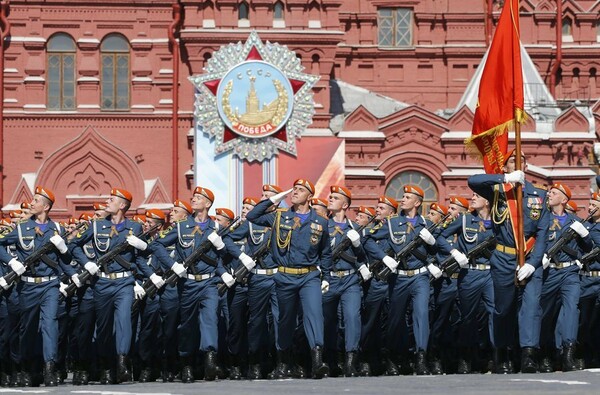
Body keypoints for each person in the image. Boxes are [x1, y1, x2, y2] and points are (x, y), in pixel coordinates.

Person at [150, 186, 253, 383]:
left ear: (208, 204)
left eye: (199, 197)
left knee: (210, 320)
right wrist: (173, 265)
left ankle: (210, 360)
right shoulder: (181, 227)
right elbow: (157, 245)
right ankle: (187, 363)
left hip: (209, 283)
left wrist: (222, 246)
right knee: (187, 325)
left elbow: (226, 254)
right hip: (187, 283)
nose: (194, 199)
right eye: (194, 196)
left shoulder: (217, 228)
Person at [69, 188, 165, 384]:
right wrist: (86, 263)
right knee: (103, 329)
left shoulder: (135, 228)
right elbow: (74, 245)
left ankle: (122, 361)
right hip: (102, 283)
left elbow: (142, 258)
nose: (107, 201)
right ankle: (106, 366)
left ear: (122, 205)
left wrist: (146, 259)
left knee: (123, 320)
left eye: (111, 199)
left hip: (124, 282)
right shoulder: (96, 226)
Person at [468, 149, 549, 373]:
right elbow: (472, 180)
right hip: (504, 257)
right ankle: (502, 353)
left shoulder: (539, 195)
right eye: (512, 160)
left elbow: (542, 232)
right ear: (505, 167)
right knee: (503, 308)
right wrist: (505, 179)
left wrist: (533, 263)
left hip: (531, 257)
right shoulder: (496, 191)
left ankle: (528, 355)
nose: (518, 163)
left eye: (522, 160)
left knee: (531, 307)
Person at [246, 178, 332, 379]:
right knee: (284, 321)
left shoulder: (320, 221)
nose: (295, 192)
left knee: (314, 315)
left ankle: (318, 361)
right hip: (284, 275)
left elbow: (326, 252)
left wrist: (326, 276)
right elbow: (252, 216)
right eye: (294, 189)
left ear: (309, 196)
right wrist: (274, 199)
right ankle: (283, 363)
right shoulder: (278, 216)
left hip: (309, 275)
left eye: (301, 190)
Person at [363, 186, 444, 375]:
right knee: (395, 319)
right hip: (398, 278)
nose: (403, 199)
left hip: (421, 276)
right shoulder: (391, 223)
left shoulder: (426, 223)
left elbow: (440, 247)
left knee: (421, 315)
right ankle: (393, 358)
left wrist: (432, 242)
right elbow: (367, 239)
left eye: (408, 197)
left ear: (417, 202)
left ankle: (421, 358)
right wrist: (384, 258)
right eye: (403, 196)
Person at [0, 186, 75, 386]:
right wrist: (11, 261)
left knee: (50, 323)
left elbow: (66, 259)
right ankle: (26, 368)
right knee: (28, 328)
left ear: (46, 206)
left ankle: (49, 368)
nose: (31, 203)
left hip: (50, 285)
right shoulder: (21, 228)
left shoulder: (57, 229)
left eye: (35, 201)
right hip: (28, 287)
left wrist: (63, 247)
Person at [440, 192, 496, 373]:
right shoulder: (464, 219)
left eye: (476, 195)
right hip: (470, 274)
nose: (472, 198)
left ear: (487, 201)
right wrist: (454, 252)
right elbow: (440, 235)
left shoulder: (498, 220)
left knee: (493, 313)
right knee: (468, 317)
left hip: (490, 274)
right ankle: (466, 358)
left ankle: (494, 356)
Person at [538, 183, 591, 372]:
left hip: (569, 272)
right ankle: (544, 353)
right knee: (545, 313)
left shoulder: (575, 222)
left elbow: (588, 248)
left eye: (554, 193)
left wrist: (585, 236)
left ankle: (568, 353)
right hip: (548, 271)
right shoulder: (541, 219)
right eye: (550, 192)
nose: (550, 195)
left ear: (564, 199)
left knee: (571, 310)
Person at [322, 185, 368, 377]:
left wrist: (357, 245)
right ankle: (331, 360)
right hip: (328, 280)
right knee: (327, 321)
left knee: (351, 318)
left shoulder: (356, 228)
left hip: (350, 280)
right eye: (330, 196)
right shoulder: (322, 226)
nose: (330, 199)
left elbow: (363, 258)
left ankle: (350, 361)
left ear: (345, 204)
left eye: (335, 197)